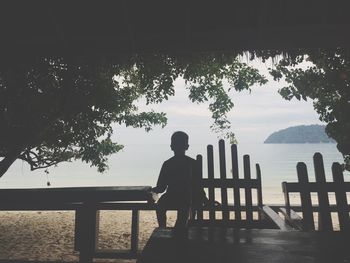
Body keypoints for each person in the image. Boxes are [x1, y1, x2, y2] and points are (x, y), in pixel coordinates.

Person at [152, 131, 208, 230]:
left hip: (171, 195)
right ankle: (178, 230)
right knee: (184, 212)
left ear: (171, 146)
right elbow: (198, 186)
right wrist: (205, 199)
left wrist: (151, 191)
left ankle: (162, 228)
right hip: (187, 197)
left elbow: (161, 187)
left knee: (160, 207)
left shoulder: (167, 164)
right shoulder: (193, 163)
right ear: (187, 146)